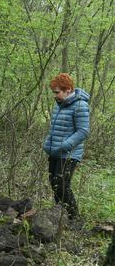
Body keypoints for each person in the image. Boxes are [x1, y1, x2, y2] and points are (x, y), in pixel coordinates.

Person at [42, 73, 90, 221]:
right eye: (54, 92)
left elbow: (83, 131)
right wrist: (48, 143)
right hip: (55, 151)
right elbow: (54, 128)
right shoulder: (58, 105)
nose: (55, 95)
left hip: (70, 153)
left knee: (61, 184)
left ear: (68, 90)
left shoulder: (80, 105)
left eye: (57, 92)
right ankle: (61, 217)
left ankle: (74, 218)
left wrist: (65, 146)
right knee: (54, 184)